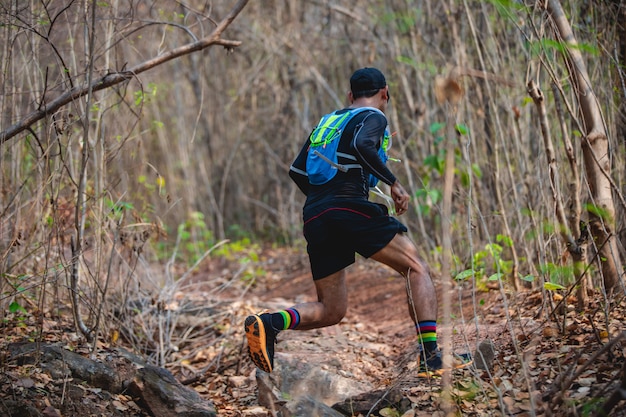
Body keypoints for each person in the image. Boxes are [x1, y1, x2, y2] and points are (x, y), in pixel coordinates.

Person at [245, 67, 467, 376]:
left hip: (316, 214)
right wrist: (393, 182)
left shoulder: (327, 123)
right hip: (348, 206)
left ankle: (270, 323)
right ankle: (431, 356)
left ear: (350, 96)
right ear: (384, 93)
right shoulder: (373, 115)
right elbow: (364, 145)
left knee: (331, 310)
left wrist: (326, 201)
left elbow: (296, 171)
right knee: (415, 267)